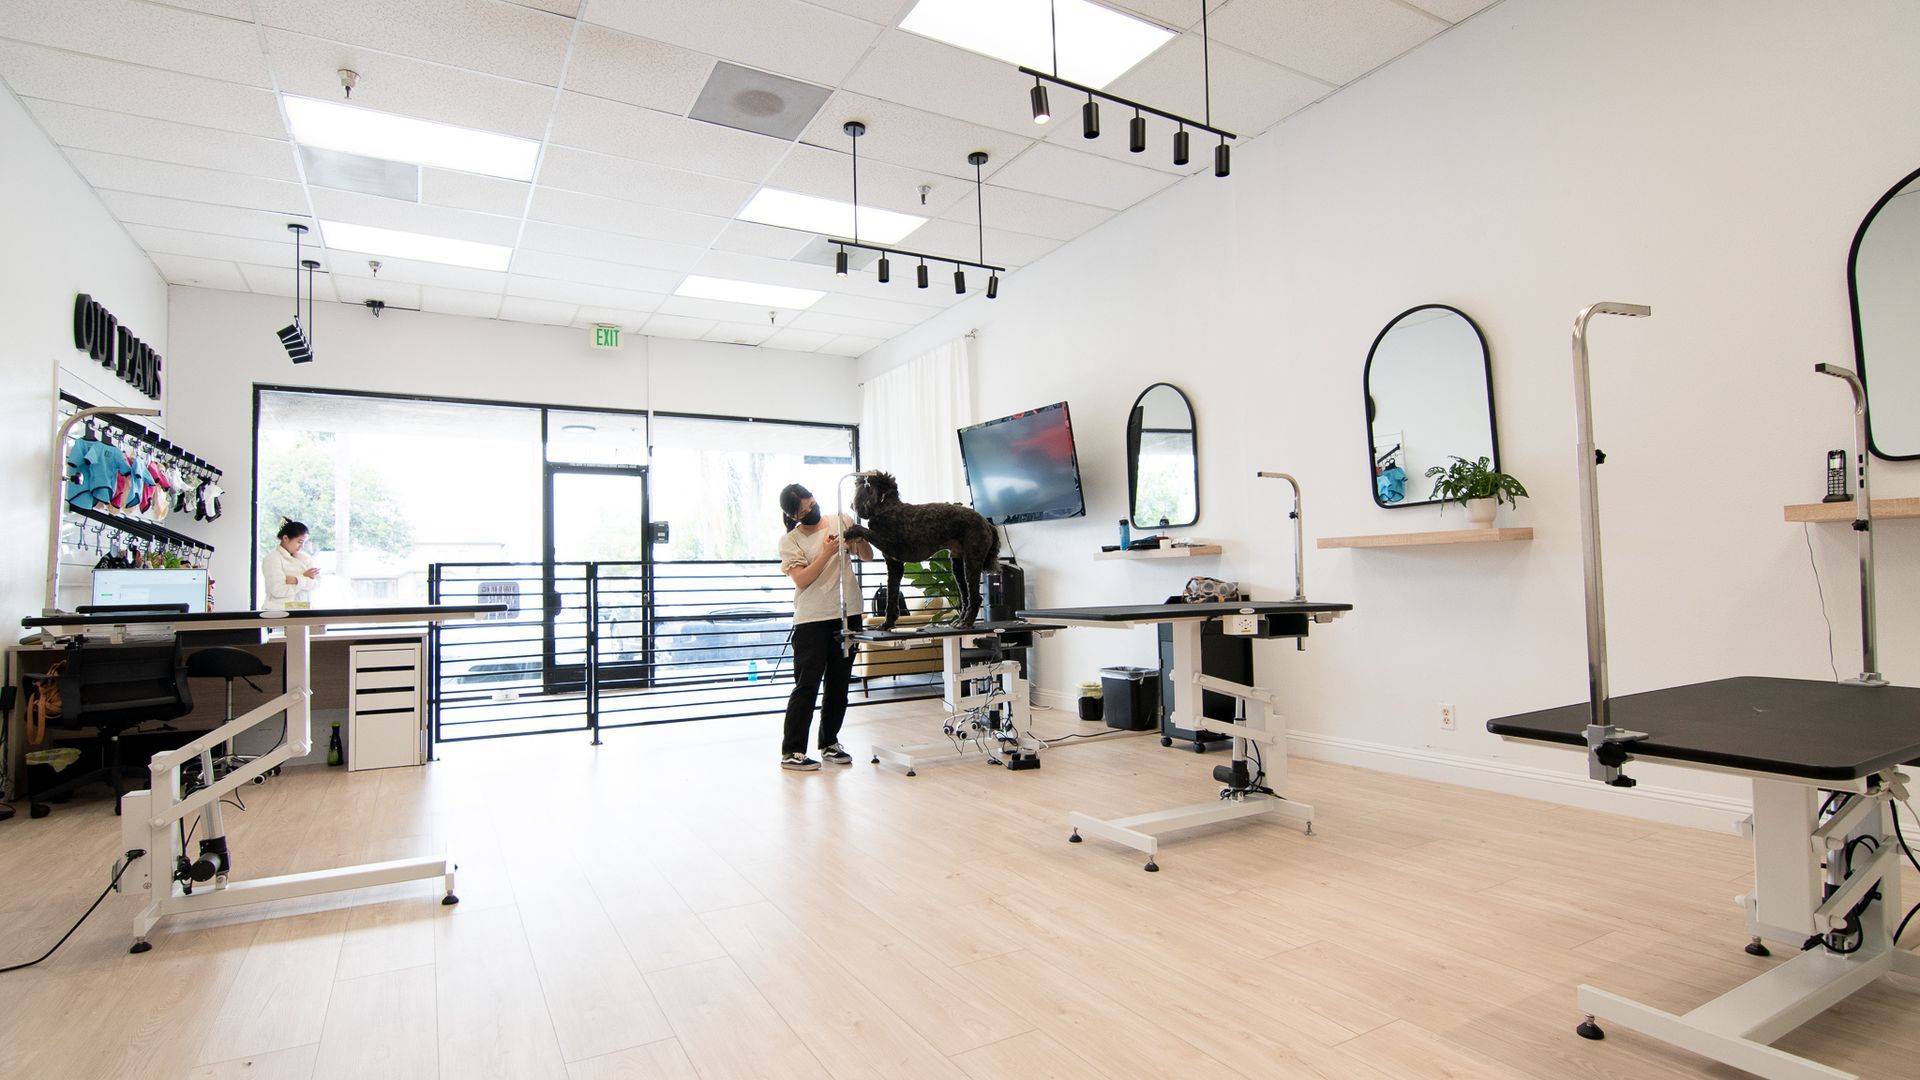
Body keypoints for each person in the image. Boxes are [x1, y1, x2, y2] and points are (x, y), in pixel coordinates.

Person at [776, 483, 870, 771]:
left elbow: (867, 556)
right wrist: (827, 552)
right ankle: (792, 751)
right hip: (812, 618)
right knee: (807, 685)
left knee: (839, 683)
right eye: (803, 512)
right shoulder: (789, 541)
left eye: (811, 504)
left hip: (848, 613)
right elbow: (802, 580)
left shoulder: (842, 520)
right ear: (793, 516)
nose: (810, 512)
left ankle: (829, 742)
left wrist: (857, 537)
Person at [263, 518, 319, 610]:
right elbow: (278, 590)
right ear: (285, 538)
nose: (302, 546)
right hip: (281, 611)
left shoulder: (305, 558)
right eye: (299, 542)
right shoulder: (272, 559)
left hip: (304, 608)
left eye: (304, 542)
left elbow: (317, 583)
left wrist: (295, 580)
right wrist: (304, 578)